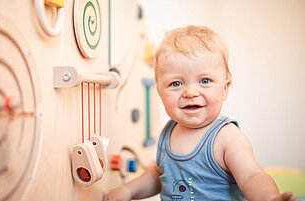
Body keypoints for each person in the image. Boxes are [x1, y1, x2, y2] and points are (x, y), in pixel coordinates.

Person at [103, 25, 298, 201]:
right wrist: (128, 191)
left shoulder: (227, 137)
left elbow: (252, 176)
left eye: (204, 81)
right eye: (176, 83)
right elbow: (159, 175)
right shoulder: (168, 132)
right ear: (160, 92)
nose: (190, 92)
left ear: (225, 88)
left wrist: (270, 198)